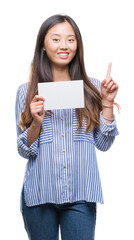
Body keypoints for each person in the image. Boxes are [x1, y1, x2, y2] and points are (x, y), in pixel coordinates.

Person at [15, 14, 119, 240]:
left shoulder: (93, 87)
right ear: (43, 45)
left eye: (70, 40)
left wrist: (107, 103)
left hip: (81, 194)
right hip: (40, 195)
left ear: (77, 45)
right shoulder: (26, 91)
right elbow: (24, 150)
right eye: (56, 39)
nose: (64, 45)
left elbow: (103, 143)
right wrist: (36, 122)